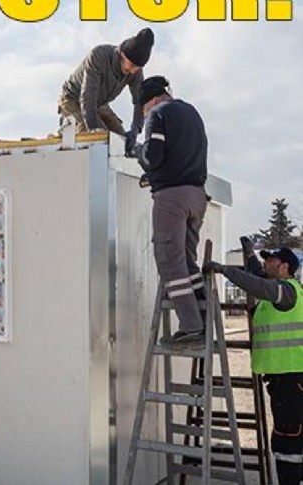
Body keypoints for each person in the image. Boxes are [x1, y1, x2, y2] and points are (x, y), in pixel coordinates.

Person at [204, 245, 303, 485]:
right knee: (291, 435)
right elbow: (258, 276)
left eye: (271, 260)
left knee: (288, 439)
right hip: (285, 379)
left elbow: (257, 284)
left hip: (291, 379)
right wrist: (249, 255)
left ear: (284, 267)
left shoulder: (286, 291)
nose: (266, 263)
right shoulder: (279, 291)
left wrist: (225, 270)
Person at [127, 76, 209, 349]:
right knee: (187, 261)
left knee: (169, 261)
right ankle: (204, 318)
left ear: (150, 100)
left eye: (143, 109)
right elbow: (177, 156)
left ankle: (191, 328)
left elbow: (153, 156)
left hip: (172, 198)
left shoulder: (158, 114)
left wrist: (138, 150)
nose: (144, 114)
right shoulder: (191, 112)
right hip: (197, 196)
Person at [59, 27, 154, 136]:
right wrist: (94, 130)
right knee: (101, 136)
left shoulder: (136, 71)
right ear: (122, 54)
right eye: (131, 66)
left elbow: (139, 101)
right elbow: (88, 97)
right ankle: (67, 128)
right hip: (72, 98)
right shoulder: (98, 56)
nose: (132, 71)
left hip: (100, 104)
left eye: (137, 68)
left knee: (121, 137)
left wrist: (135, 129)